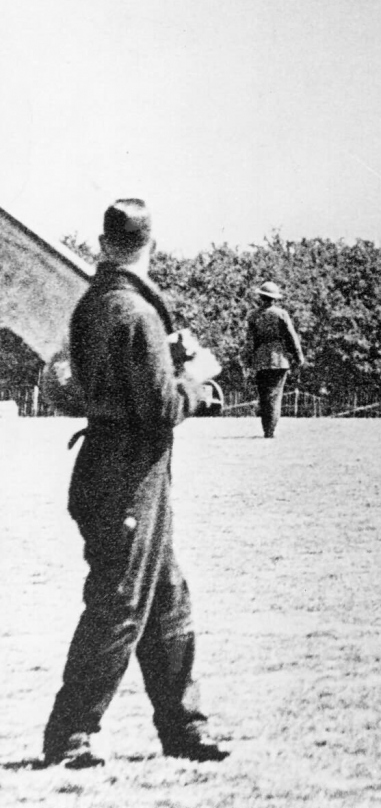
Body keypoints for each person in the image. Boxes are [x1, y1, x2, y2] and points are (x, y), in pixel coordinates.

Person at [42, 199, 228, 769]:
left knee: (166, 599)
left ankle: (184, 728)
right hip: (130, 476)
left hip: (108, 466)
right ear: (152, 244)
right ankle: (70, 736)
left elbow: (94, 382)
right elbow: (161, 408)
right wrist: (199, 383)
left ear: (104, 243)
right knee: (119, 602)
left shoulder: (94, 304)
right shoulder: (137, 313)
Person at [245, 281, 304, 438]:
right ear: (275, 298)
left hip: (260, 359)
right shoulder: (281, 314)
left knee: (264, 396)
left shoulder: (253, 315)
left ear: (260, 297)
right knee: (275, 397)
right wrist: (298, 356)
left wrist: (247, 359)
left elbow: (249, 341)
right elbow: (292, 337)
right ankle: (270, 431)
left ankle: (266, 429)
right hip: (279, 359)